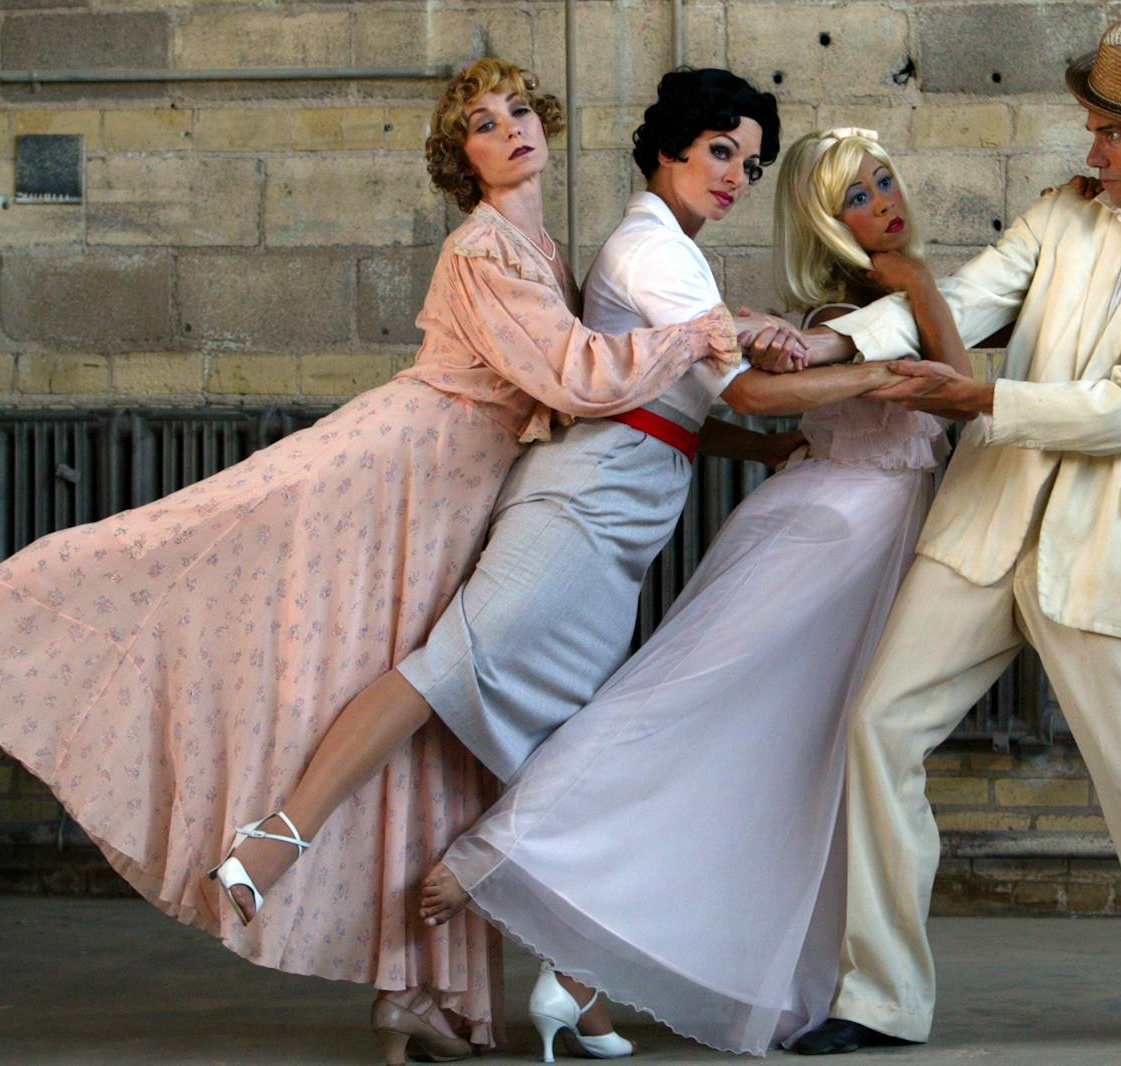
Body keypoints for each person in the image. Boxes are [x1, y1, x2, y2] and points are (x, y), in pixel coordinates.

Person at [0, 57, 742, 1064]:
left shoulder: (539, 242)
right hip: (406, 464)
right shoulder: (483, 245)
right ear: (461, 157)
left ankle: (420, 995)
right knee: (210, 555)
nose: (510, 129)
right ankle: (256, 823)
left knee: (427, 726)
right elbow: (570, 373)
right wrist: (705, 333)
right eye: (483, 123)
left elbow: (566, 384)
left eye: (519, 110)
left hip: (462, 490)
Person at [213, 67, 897, 1053]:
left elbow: (675, 411)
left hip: (622, 517)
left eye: (747, 165)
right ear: (665, 150)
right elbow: (730, 391)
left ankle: (570, 995)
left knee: (559, 750)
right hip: (581, 509)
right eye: (718, 153)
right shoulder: (649, 250)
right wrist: (878, 375)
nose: (734, 177)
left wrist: (760, 447)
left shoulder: (662, 259)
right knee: (443, 672)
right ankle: (269, 846)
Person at [784, 14, 1121, 1056]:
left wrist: (980, 401)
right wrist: (827, 337)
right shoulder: (1063, 214)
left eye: (1109, 132)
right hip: (981, 522)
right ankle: (875, 998)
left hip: (1104, 545)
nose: (1089, 149)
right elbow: (967, 295)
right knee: (878, 728)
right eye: (1091, 126)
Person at [417, 126, 974, 1058]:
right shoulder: (849, 309)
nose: (884, 205)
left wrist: (904, 297)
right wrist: (912, 292)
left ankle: (583, 970)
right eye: (855, 198)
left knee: (779, 755)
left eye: (884, 182)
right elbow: (953, 392)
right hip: (827, 531)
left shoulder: (852, 306)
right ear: (824, 224)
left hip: (858, 535)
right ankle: (505, 851)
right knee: (686, 709)